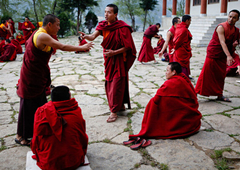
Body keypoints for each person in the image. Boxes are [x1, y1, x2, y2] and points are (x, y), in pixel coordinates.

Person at [15, 14, 93, 145]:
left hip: (36, 74)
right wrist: (82, 47)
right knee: (28, 105)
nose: (59, 27)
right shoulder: (42, 35)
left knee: (38, 103)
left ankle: (36, 131)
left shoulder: (41, 32)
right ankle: (21, 136)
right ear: (49, 25)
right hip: (32, 76)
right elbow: (62, 47)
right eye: (57, 24)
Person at [79, 4, 136, 123]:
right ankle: (119, 105)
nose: (106, 14)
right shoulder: (103, 26)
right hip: (109, 59)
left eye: (109, 12)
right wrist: (86, 36)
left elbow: (128, 47)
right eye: (105, 12)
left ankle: (114, 111)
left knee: (117, 84)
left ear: (115, 14)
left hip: (119, 59)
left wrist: (114, 52)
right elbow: (93, 36)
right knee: (110, 83)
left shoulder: (123, 28)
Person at [126, 62, 202, 149]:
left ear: (174, 72)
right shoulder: (184, 79)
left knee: (153, 103)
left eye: (167, 70)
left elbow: (156, 99)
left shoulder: (169, 84)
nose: (165, 72)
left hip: (183, 114)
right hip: (190, 117)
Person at [31, 86, 88, 170]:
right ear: (68, 97)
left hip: (49, 163)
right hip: (73, 162)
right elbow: (81, 136)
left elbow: (36, 139)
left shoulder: (41, 111)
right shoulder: (75, 111)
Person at [195, 9, 240, 102]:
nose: (231, 19)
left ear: (237, 20)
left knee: (221, 75)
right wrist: (229, 55)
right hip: (214, 52)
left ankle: (219, 94)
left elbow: (232, 42)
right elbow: (222, 42)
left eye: (234, 17)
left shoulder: (236, 30)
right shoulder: (221, 27)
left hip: (222, 54)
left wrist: (233, 45)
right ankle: (194, 94)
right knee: (206, 73)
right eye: (230, 16)